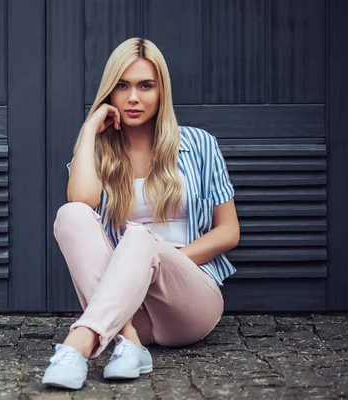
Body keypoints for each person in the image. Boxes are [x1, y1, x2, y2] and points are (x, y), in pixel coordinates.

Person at [41, 38, 240, 390]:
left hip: (189, 299)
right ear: (110, 94)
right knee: (70, 214)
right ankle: (128, 343)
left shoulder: (199, 145)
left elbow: (228, 232)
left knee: (138, 237)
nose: (133, 97)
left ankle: (78, 345)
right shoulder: (98, 151)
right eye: (122, 86)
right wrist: (89, 130)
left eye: (145, 85)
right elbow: (81, 201)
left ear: (161, 90)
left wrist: (160, 258)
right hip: (131, 310)